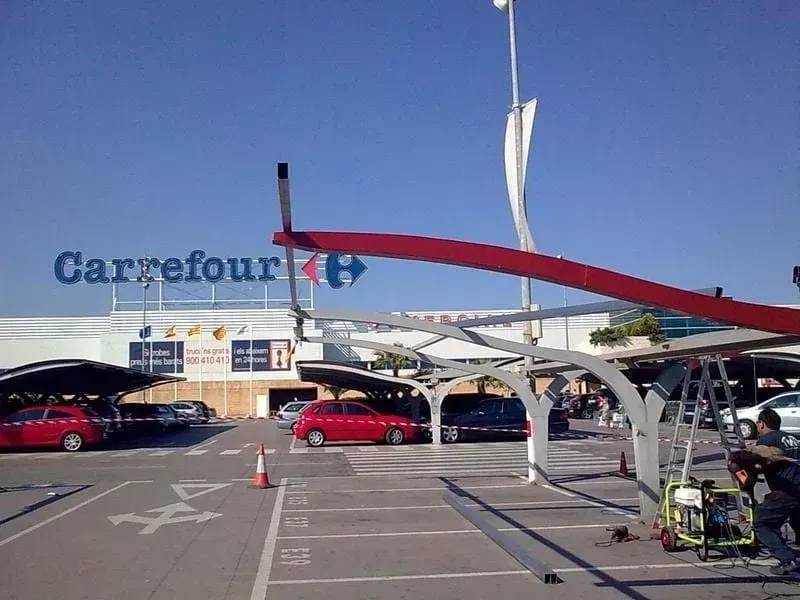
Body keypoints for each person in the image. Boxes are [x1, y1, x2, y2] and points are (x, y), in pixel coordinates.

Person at [751, 408, 800, 575]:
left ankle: (788, 560)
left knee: (762, 522)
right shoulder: (791, 438)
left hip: (787, 489)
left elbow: (760, 462)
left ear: (762, 424)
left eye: (758, 422)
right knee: (796, 520)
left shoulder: (766, 439)